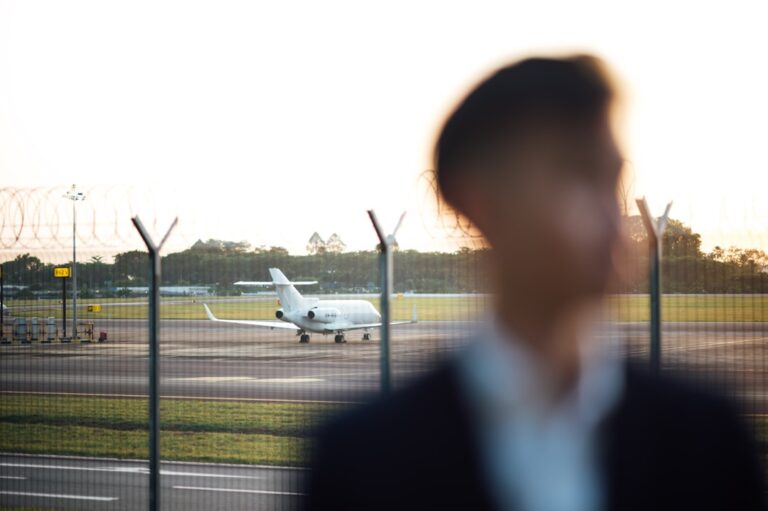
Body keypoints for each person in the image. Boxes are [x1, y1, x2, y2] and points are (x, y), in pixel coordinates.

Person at [304, 55, 765, 511]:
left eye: (612, 181)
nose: (612, 216)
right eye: (577, 176)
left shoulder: (709, 436)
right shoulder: (362, 459)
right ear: (476, 200)